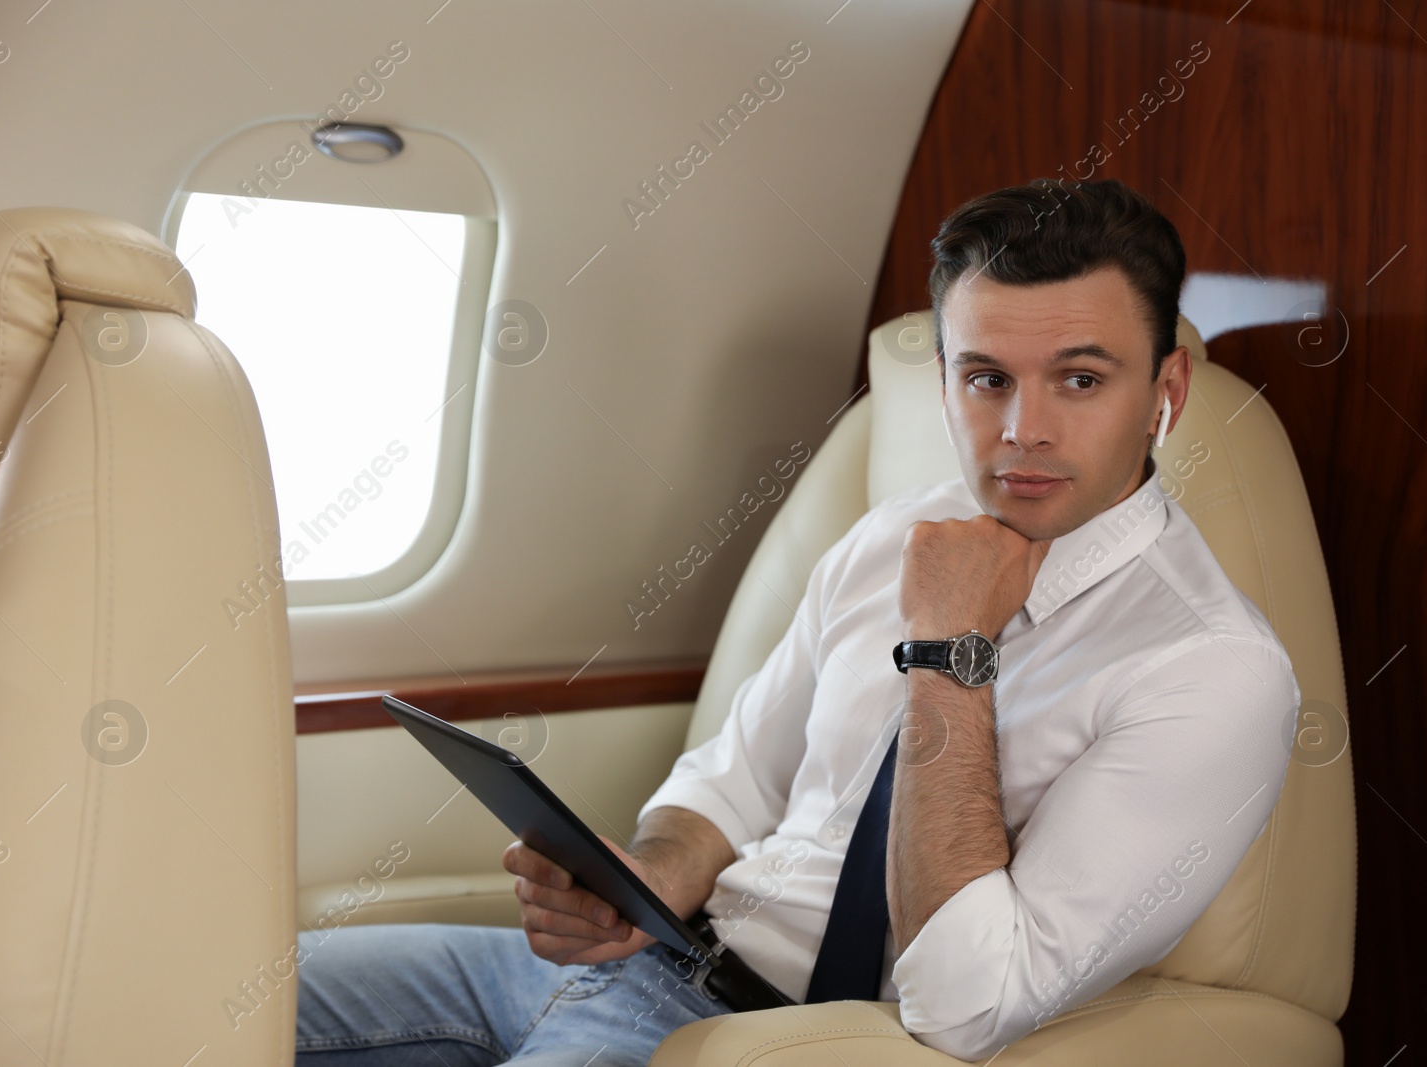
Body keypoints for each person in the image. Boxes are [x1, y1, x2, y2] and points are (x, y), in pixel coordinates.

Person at [293, 177, 1299, 1064]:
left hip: (780, 1036)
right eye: (984, 376)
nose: (1020, 428)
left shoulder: (1211, 671)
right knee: (207, 995)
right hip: (654, 963)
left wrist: (949, 654)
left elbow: (967, 1002)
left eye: (1080, 379)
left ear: (1164, 392)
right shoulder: (892, 537)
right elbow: (733, 782)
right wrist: (647, 878)